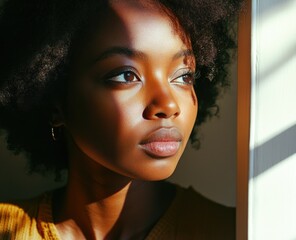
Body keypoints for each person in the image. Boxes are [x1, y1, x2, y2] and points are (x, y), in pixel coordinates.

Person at [0, 0, 242, 239]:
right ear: (55, 102)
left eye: (183, 76)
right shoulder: (8, 229)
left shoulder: (240, 232)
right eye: (127, 75)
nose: (168, 105)